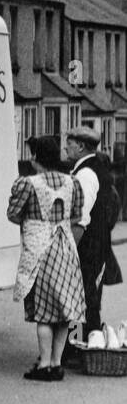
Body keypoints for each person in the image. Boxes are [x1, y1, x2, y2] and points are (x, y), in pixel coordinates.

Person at [7, 135, 86, 381]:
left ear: (36, 157)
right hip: (65, 249)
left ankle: (43, 364)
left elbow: (13, 214)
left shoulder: (28, 184)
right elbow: (77, 215)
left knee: (42, 310)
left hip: (39, 249)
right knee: (62, 310)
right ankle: (55, 362)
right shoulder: (72, 182)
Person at [65, 126, 123, 349]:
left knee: (80, 299)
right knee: (87, 298)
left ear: (80, 146)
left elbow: (81, 217)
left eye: (69, 143)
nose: (65, 147)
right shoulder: (96, 169)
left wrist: (70, 248)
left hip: (87, 247)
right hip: (97, 245)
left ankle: (76, 346)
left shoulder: (86, 174)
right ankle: (84, 343)